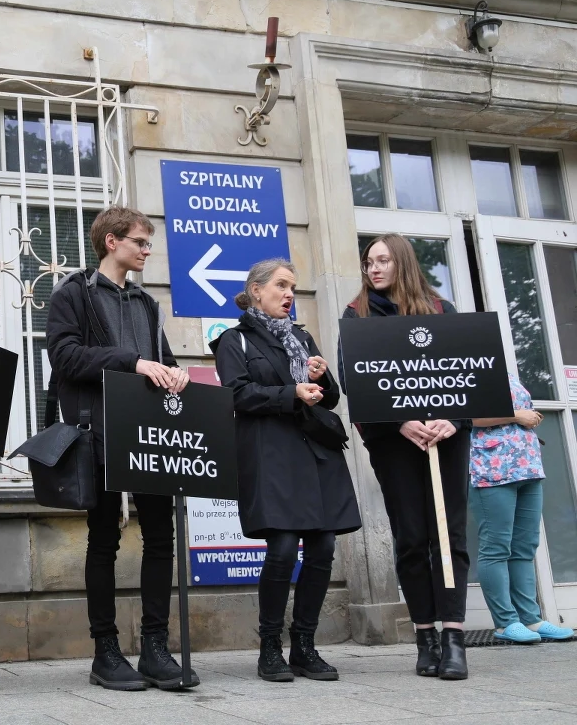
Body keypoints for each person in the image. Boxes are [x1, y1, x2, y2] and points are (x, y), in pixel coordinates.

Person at [45, 205, 196, 692]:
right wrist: (133, 362)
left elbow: (163, 359)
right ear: (111, 242)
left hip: (151, 435)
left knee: (160, 538)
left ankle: (155, 647)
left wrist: (176, 372)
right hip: (101, 436)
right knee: (104, 541)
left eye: (148, 243)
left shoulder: (146, 304)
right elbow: (65, 357)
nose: (147, 251)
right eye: (140, 242)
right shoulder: (74, 293)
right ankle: (105, 652)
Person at [211, 259, 361, 683]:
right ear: (256, 290)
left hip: (316, 452)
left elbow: (327, 398)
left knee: (322, 549)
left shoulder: (302, 336)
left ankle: (305, 646)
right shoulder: (233, 340)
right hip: (271, 454)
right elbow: (236, 395)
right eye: (280, 285)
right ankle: (269, 648)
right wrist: (290, 392)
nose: (289, 294)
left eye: (293, 286)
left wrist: (320, 377)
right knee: (280, 550)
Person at [341, 233, 472, 680]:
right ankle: (425, 636)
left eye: (382, 260)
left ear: (402, 263)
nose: (374, 268)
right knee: (412, 536)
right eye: (368, 262)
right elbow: (354, 381)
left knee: (448, 535)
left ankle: (454, 636)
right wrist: (399, 422)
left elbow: (470, 374)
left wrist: (453, 419)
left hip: (446, 440)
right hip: (395, 443)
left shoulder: (440, 312)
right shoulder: (355, 315)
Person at [470, 374, 575, 644]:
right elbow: (465, 418)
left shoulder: (507, 372)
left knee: (525, 546)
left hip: (526, 467)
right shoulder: (466, 370)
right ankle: (505, 622)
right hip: (491, 468)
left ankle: (531, 618)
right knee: (496, 546)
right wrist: (516, 415)